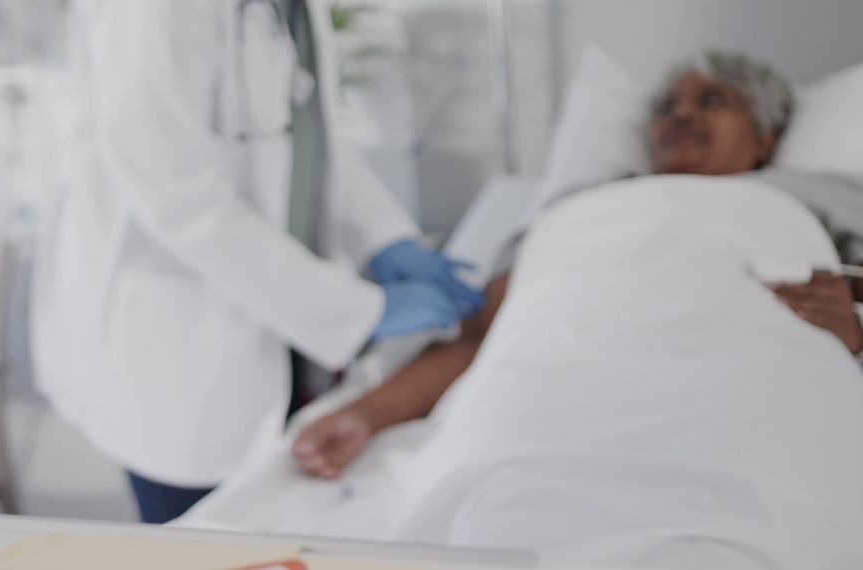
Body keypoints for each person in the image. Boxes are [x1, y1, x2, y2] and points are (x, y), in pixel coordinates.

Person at [292, 50, 863, 481]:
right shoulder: (577, 210)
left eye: (710, 101)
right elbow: (482, 336)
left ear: (764, 137)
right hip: (559, 395)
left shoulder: (819, 196)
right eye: (667, 108)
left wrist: (856, 329)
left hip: (743, 398)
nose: (680, 116)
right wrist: (364, 415)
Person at [30, 0, 483, 524]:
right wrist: (358, 311)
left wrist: (384, 238)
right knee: (198, 542)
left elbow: (308, 131)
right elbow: (178, 196)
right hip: (178, 350)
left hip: (270, 337)